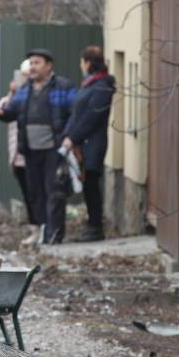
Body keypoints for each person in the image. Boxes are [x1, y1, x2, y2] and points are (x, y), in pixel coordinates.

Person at [0, 49, 75, 244]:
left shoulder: (62, 86)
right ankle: (41, 231)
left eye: (37, 63)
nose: (33, 67)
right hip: (30, 149)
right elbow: (13, 111)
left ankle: (53, 235)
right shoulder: (25, 89)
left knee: (54, 191)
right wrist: (1, 113)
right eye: (31, 63)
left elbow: (74, 114)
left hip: (54, 149)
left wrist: (68, 138)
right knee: (36, 192)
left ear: (49, 65)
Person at [62, 46, 115, 242]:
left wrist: (72, 137)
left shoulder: (102, 86)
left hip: (92, 143)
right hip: (82, 143)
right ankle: (92, 226)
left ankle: (95, 227)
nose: (80, 65)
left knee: (92, 184)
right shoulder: (90, 84)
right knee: (87, 185)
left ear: (88, 63)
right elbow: (77, 114)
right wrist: (68, 135)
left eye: (82, 61)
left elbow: (90, 117)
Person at [0, 61, 36, 225]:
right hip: (17, 153)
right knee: (26, 192)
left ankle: (38, 223)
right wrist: (12, 93)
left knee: (35, 191)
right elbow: (3, 109)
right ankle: (33, 222)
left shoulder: (35, 96)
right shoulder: (14, 98)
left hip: (33, 151)